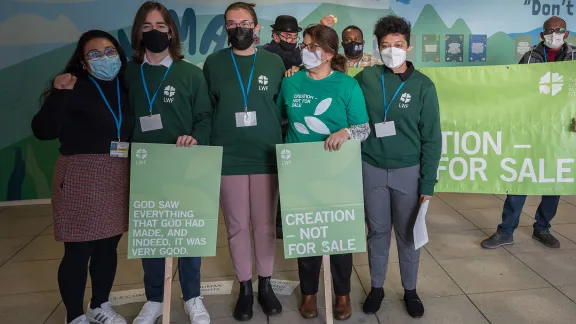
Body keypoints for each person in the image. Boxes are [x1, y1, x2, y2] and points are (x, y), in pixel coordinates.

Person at [32, 30, 133, 324]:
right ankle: (74, 315)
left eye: (110, 51)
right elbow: (43, 130)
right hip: (80, 175)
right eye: (95, 54)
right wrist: (59, 93)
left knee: (107, 246)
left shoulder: (123, 87)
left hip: (116, 173)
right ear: (84, 61)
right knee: (78, 249)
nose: (105, 58)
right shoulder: (73, 85)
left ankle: (99, 305)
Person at [126, 2, 212, 324]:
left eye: (161, 26)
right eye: (147, 27)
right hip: (144, 168)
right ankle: (154, 299)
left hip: (183, 165)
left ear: (172, 31)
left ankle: (192, 296)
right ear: (138, 32)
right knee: (151, 235)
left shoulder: (191, 73)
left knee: (187, 233)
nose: (154, 32)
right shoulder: (129, 72)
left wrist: (195, 140)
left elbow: (204, 117)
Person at [278, 24, 370, 321]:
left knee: (339, 235)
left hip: (337, 171)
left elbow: (364, 129)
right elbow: (279, 118)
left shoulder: (346, 85)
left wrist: (345, 132)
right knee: (307, 234)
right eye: (304, 46)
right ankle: (309, 294)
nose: (306, 52)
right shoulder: (290, 83)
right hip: (300, 172)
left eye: (313, 47)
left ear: (330, 53)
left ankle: (342, 293)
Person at [203, 2, 285, 321]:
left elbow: (283, 106)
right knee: (237, 226)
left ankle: (266, 284)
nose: (239, 28)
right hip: (228, 157)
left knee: (265, 225)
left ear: (257, 27)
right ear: (225, 27)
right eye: (232, 23)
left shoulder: (274, 63)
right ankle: (245, 287)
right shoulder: (213, 63)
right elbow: (206, 110)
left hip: (266, 155)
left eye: (245, 22)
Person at [354, 16, 441, 318]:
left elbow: (432, 138)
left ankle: (410, 290)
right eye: (386, 46)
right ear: (378, 49)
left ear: (409, 46)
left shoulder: (423, 86)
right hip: (371, 167)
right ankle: (376, 287)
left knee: (407, 234)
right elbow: (342, 101)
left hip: (408, 171)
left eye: (398, 45)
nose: (392, 51)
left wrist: (427, 184)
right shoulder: (366, 78)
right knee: (377, 232)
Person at [481, 16, 574, 250]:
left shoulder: (575, 57)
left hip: (562, 130)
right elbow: (516, 91)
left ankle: (542, 228)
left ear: (567, 33)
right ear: (542, 35)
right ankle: (506, 231)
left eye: (559, 30)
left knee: (553, 181)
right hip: (530, 128)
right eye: (550, 31)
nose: (555, 34)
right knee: (519, 178)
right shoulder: (530, 57)